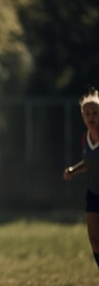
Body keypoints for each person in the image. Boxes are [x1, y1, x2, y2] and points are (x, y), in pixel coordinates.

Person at [63, 87, 99, 272]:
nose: (91, 117)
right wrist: (73, 170)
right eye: (87, 113)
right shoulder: (85, 138)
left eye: (95, 113)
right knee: (94, 241)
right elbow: (89, 163)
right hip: (93, 193)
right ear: (83, 116)